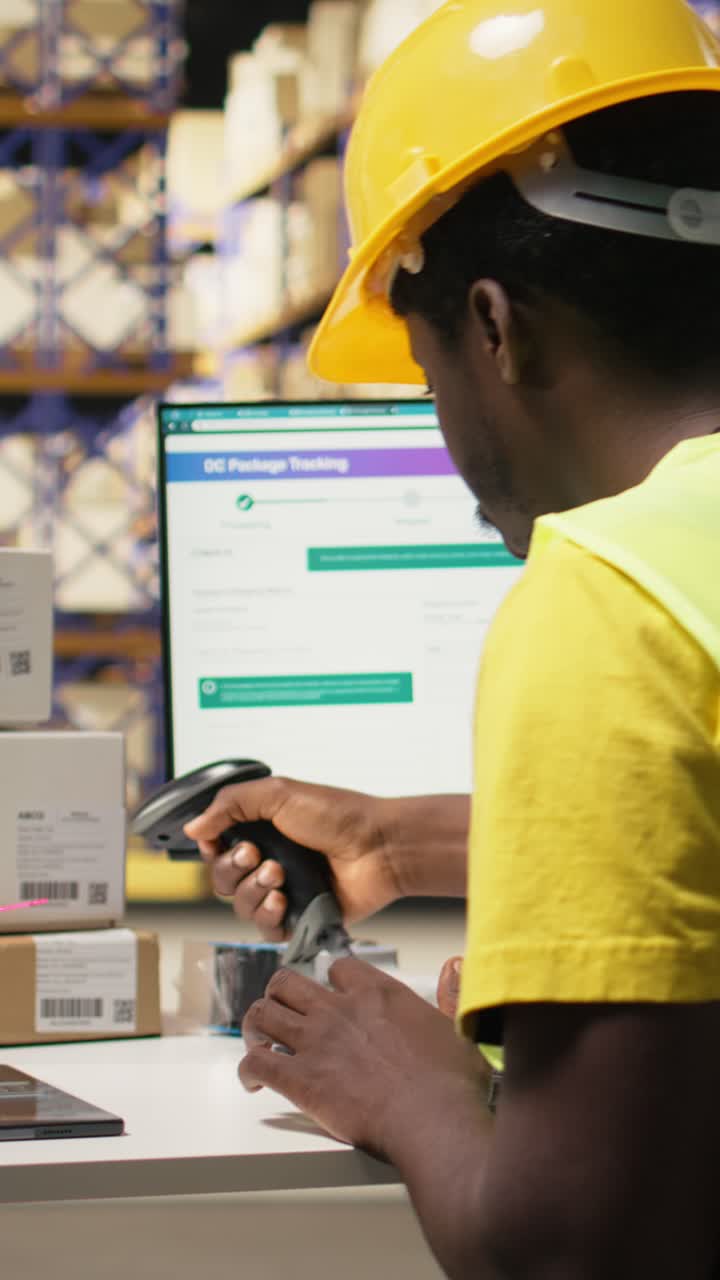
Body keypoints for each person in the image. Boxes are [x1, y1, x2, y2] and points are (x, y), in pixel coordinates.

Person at [185, 2, 720, 1275]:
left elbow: (578, 1250)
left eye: (426, 381)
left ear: (494, 324)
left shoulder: (608, 590)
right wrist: (389, 837)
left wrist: (408, 1079)